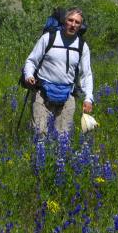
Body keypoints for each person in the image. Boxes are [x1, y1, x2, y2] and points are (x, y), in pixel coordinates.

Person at [23, 7, 93, 137]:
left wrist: (88, 98)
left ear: (80, 25)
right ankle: (40, 157)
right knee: (40, 135)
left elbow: (86, 74)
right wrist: (29, 75)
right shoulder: (48, 38)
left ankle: (57, 157)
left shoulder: (82, 46)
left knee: (63, 137)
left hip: (68, 95)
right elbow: (31, 61)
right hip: (42, 93)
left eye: (77, 22)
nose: (73, 25)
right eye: (70, 20)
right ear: (64, 21)